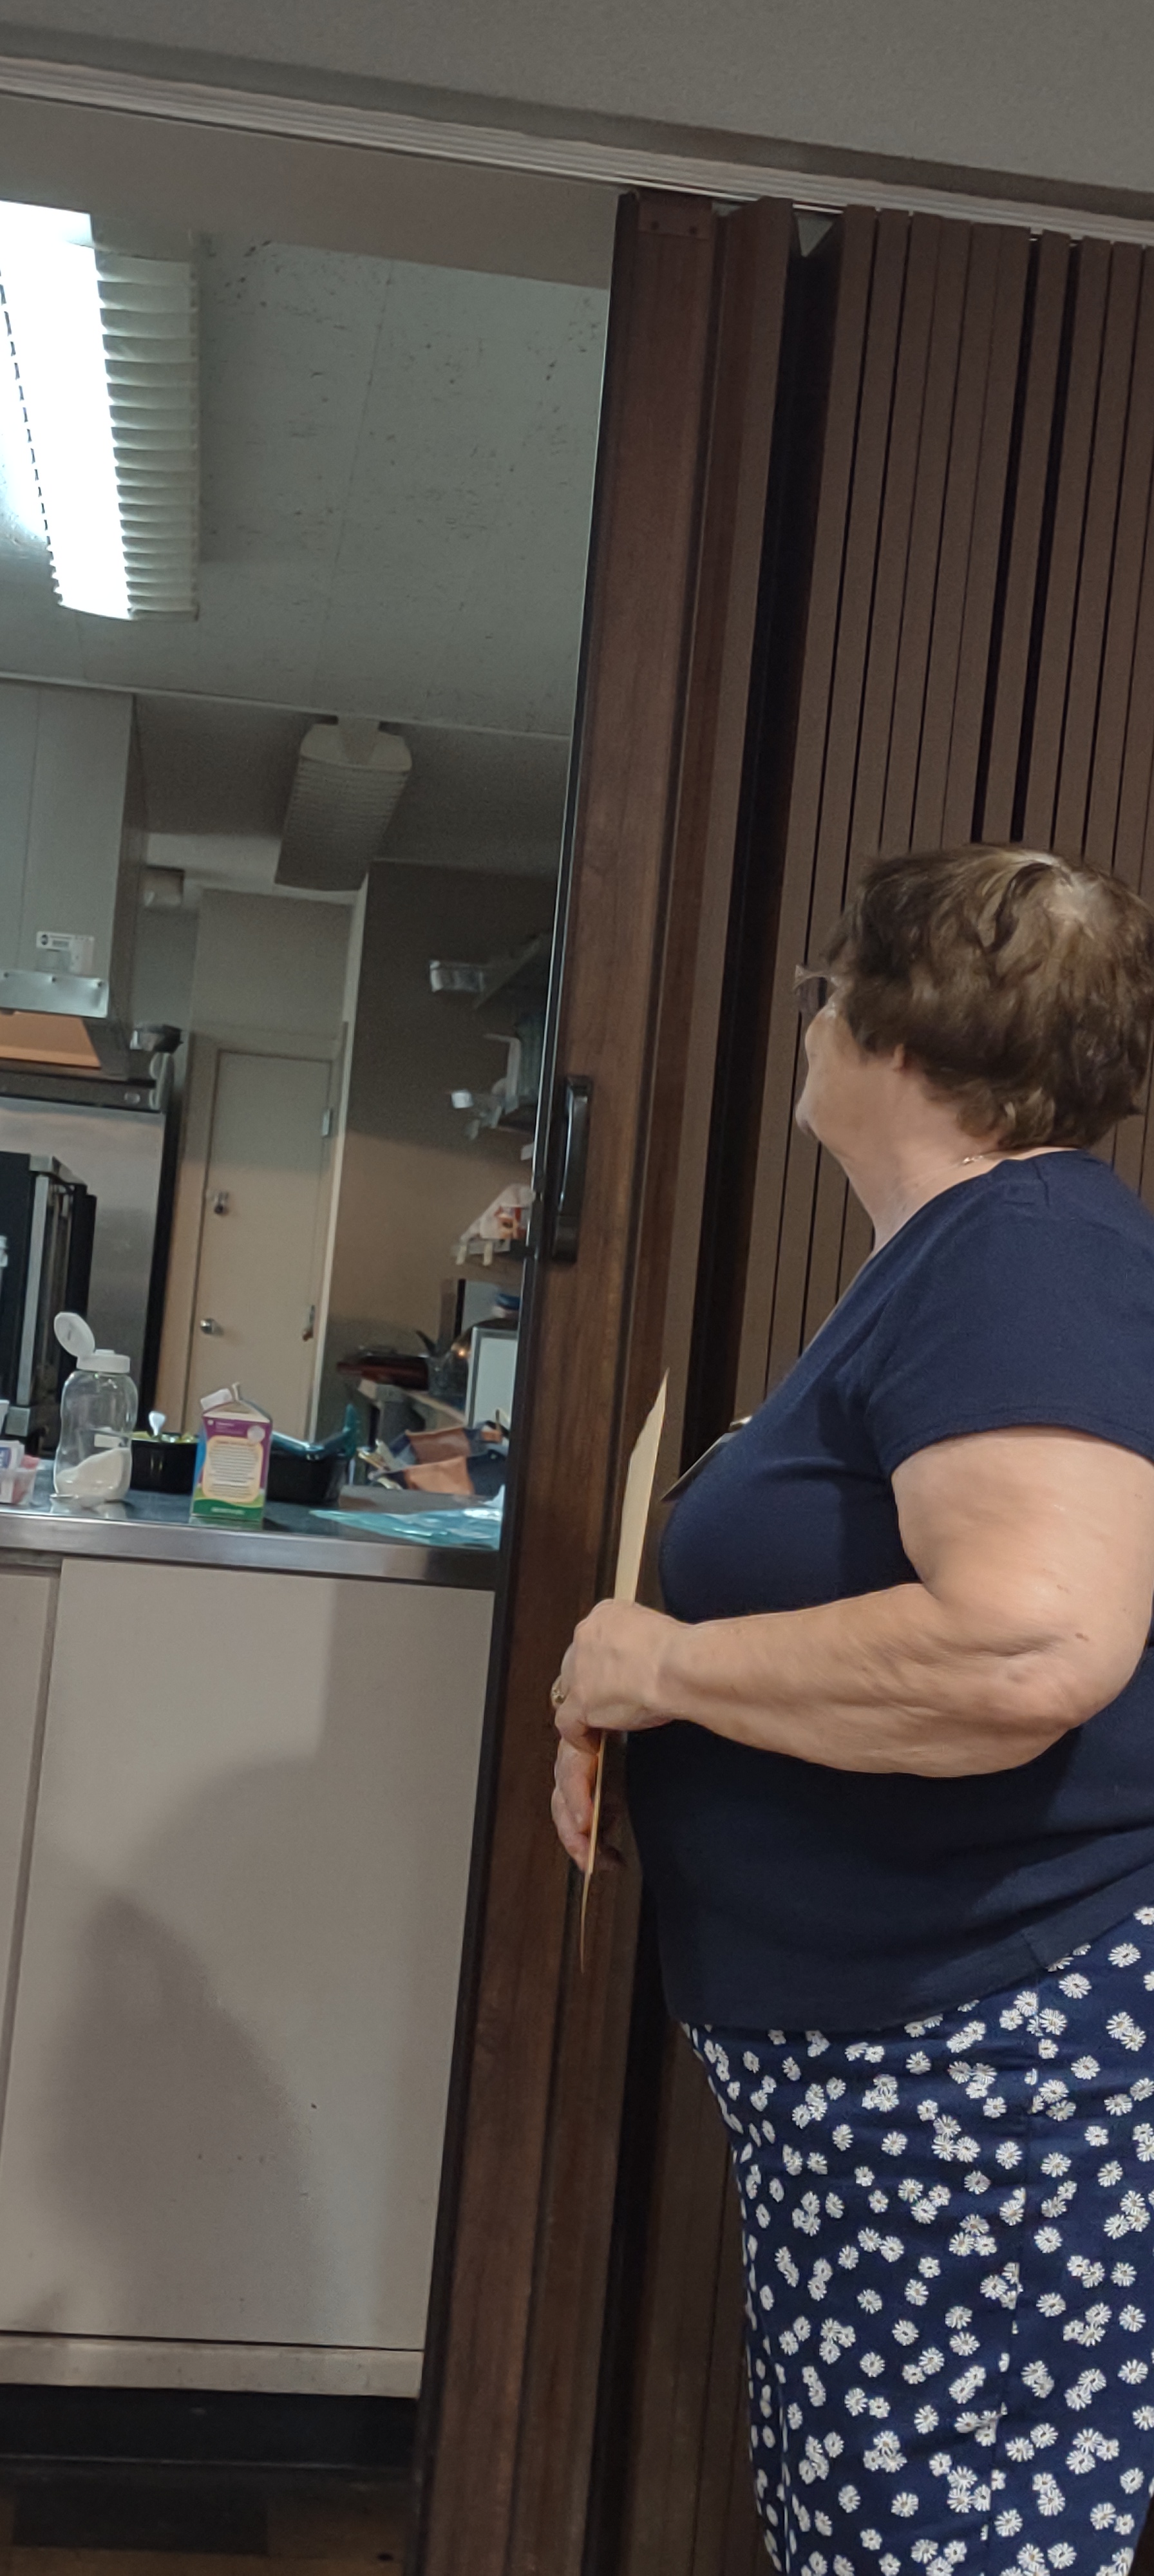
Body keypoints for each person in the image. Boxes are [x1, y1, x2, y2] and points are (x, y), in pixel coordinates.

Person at [551, 845, 1154, 2576]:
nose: (806, 1025)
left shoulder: (1026, 1256)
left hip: (978, 2063)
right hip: (902, 2062)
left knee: (948, 2542)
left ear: (882, 1030)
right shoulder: (974, 1256)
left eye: (821, 994)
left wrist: (661, 1669)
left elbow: (1026, 1647)